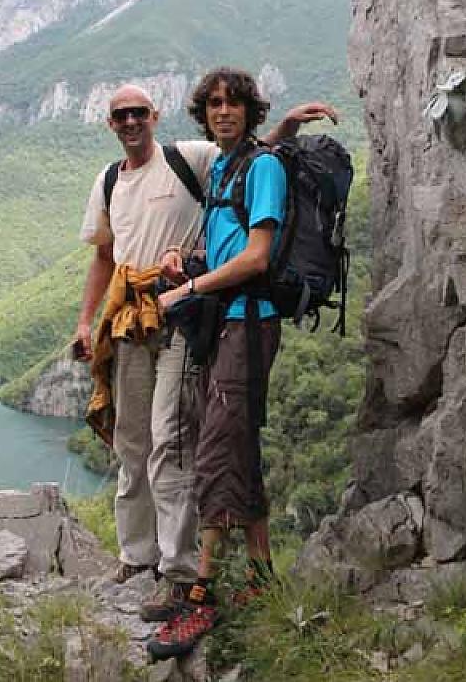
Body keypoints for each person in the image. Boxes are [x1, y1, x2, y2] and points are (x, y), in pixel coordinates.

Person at [74, 82, 336, 623]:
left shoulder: (187, 158)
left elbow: (250, 156)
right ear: (109, 123)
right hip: (135, 318)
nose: (129, 122)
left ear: (155, 114)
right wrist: (87, 319)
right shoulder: (109, 181)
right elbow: (104, 256)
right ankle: (139, 555)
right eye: (119, 114)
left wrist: (284, 128)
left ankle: (186, 574)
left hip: (194, 317)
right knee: (133, 440)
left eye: (138, 112)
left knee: (179, 441)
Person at [148, 67, 306, 660]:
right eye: (213, 103)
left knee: (215, 452)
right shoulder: (223, 167)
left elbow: (257, 257)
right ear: (203, 113)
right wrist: (186, 261)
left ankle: (201, 594)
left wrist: (187, 293)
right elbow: (226, 245)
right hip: (225, 322)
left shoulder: (260, 166)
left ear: (249, 110)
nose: (222, 111)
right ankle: (262, 576)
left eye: (233, 103)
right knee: (238, 446)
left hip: (247, 319)